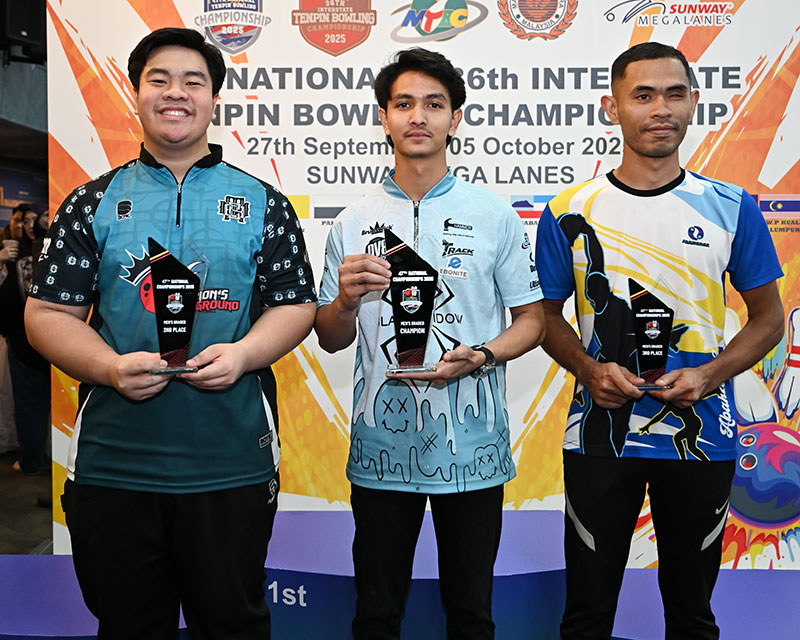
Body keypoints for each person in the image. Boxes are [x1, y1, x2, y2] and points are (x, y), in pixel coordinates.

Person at [25, 27, 316, 640]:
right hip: (115, 465)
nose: (175, 93)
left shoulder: (263, 201)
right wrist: (108, 368)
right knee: (129, 626)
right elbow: (47, 315)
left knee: (233, 625)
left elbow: (294, 306)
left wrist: (243, 355)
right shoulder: (91, 201)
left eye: (193, 82)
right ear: (135, 93)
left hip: (231, 462)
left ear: (214, 99)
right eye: (158, 80)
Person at [534, 42, 784, 639]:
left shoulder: (731, 207)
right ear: (612, 107)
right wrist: (589, 371)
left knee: (692, 617)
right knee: (586, 615)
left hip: (702, 438)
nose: (660, 109)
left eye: (674, 94)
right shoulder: (569, 209)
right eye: (642, 95)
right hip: (599, 434)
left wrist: (709, 375)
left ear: (694, 102)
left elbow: (769, 319)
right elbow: (542, 316)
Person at [314, 48, 545, 639]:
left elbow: (532, 321)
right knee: (375, 615)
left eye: (434, 105)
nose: (418, 117)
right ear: (384, 118)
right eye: (404, 104)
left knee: (471, 615)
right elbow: (332, 338)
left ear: (455, 118)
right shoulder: (352, 220)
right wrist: (344, 302)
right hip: (380, 448)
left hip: (473, 449)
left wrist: (483, 355)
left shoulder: (494, 215)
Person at [0, 204, 51, 475]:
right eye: (23, 221)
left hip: (34, 344)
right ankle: (38, 459)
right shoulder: (14, 256)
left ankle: (36, 460)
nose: (29, 226)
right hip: (30, 343)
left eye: (34, 221)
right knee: (34, 404)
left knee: (32, 405)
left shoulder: (27, 262)